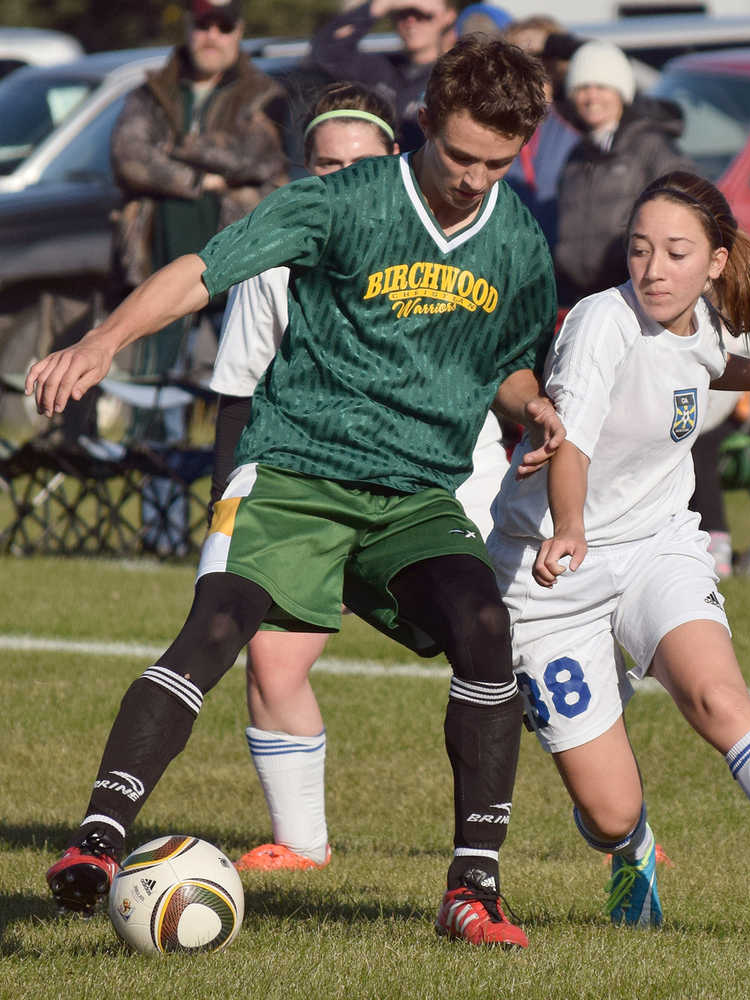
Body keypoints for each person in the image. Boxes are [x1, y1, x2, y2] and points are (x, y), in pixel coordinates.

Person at [30, 35, 561, 949]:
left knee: (484, 628)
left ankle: (473, 890)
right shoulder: (340, 201)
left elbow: (507, 364)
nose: (476, 179)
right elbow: (202, 272)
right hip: (298, 471)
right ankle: (98, 840)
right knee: (220, 621)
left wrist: (536, 407)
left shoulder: (517, 240)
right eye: (461, 155)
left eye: (498, 164)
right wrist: (102, 343)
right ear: (424, 124)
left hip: (414, 493)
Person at [487, 170, 750, 936]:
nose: (653, 269)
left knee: (717, 698)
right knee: (608, 811)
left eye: (676, 252)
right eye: (640, 251)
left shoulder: (704, 318)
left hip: (654, 546)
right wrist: (568, 527)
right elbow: (567, 439)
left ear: (715, 261)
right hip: (549, 571)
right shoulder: (601, 323)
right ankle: (631, 847)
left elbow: (709, 362)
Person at [209, 81, 510, 872]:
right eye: (322, 163)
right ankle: (302, 843)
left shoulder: (449, 241)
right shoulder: (274, 253)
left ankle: (622, 829)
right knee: (272, 656)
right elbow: (238, 398)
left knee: (515, 658)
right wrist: (227, 524)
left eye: (359, 164)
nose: (338, 180)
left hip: (442, 487)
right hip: (309, 485)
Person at [111, 0, 287, 555]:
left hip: (232, 282)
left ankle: (223, 534)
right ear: (187, 27)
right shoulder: (151, 90)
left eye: (224, 24)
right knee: (149, 410)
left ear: (239, 31)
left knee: (229, 406)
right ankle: (158, 533)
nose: (211, 34)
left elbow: (258, 155)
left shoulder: (265, 94)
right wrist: (207, 178)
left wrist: (177, 157)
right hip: (154, 270)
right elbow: (129, 157)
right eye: (202, 22)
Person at [553, 40, 693, 308]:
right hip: (579, 299)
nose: (591, 97)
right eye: (582, 88)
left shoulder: (651, 146)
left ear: (621, 92)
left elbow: (686, 209)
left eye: (602, 87)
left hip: (633, 298)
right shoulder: (577, 154)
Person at [308, 0, 458, 151]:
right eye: (402, 14)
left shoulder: (454, 76)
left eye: (422, 15)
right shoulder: (380, 68)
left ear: (448, 16)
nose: (411, 22)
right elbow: (325, 51)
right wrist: (383, 4)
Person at [503, 15, 579, 248]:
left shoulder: (577, 121)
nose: (533, 67)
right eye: (520, 58)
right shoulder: (496, 123)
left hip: (564, 263)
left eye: (541, 57)